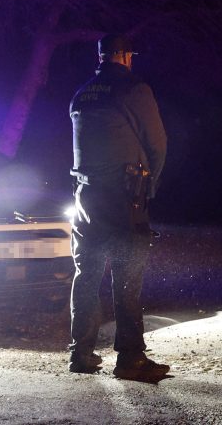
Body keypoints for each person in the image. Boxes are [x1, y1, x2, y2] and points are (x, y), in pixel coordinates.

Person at [67, 33, 169, 380]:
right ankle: (130, 358)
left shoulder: (81, 94)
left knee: (87, 275)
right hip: (123, 197)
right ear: (126, 56)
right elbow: (157, 144)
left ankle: (80, 354)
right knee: (127, 277)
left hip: (85, 197)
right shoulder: (134, 89)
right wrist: (148, 188)